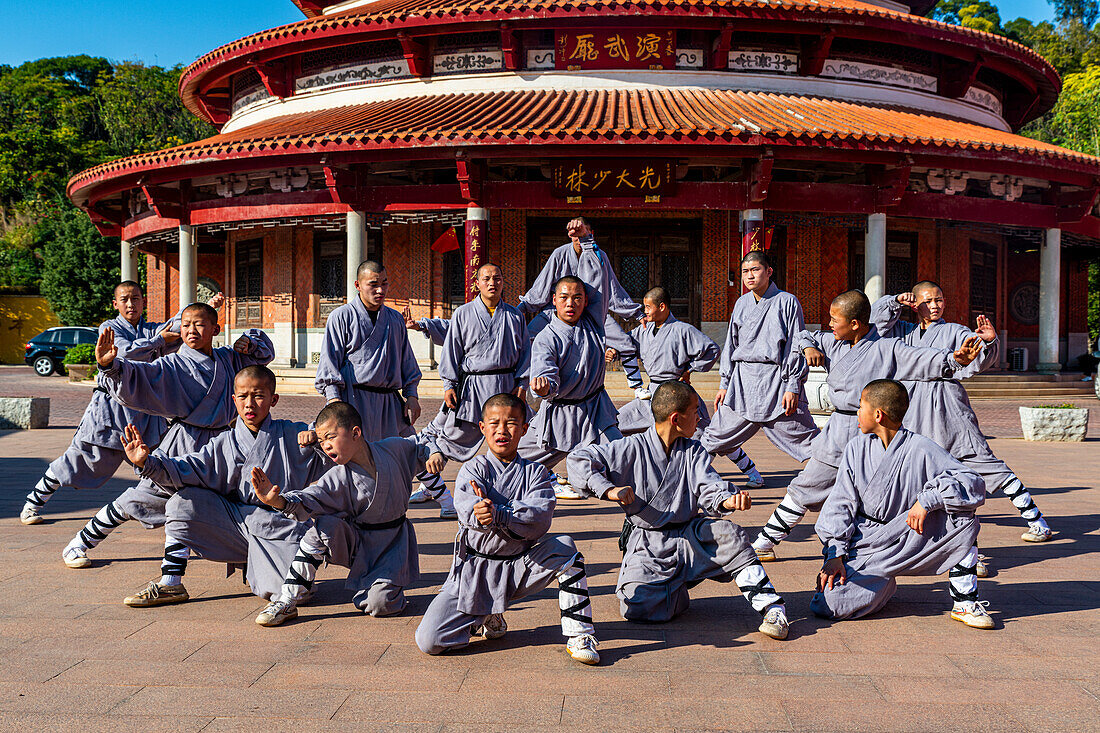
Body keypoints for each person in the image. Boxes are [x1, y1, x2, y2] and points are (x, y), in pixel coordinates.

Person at [64, 302, 272, 608]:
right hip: (184, 444)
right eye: (186, 324)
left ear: (215, 329)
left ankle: (180, 578)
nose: (191, 330)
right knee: (141, 500)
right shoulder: (173, 365)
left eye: (199, 324)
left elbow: (262, 356)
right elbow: (142, 374)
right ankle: (81, 542)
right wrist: (110, 366)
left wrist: (251, 343)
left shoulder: (229, 358)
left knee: (215, 507)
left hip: (226, 446)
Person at [750, 290, 984, 562]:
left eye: (834, 320)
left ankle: (965, 553)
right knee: (807, 486)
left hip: (878, 434)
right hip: (838, 433)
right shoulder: (832, 342)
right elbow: (805, 335)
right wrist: (809, 348)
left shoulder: (888, 347)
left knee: (903, 493)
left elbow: (922, 358)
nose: (829, 325)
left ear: (854, 324)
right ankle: (766, 540)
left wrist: (954, 360)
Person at [568, 382, 790, 640]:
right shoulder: (630, 448)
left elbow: (708, 484)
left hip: (690, 537)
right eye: (696, 411)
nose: (700, 417)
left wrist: (726, 500)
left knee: (730, 535)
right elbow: (578, 460)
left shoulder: (694, 450)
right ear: (676, 418)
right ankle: (675, 587)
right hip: (648, 544)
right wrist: (607, 489)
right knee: (637, 608)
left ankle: (772, 607)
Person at [872, 284, 1052, 566]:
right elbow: (878, 323)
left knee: (980, 461)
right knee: (924, 475)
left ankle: (1036, 520)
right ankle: (968, 553)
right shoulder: (903, 331)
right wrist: (894, 301)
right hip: (913, 406)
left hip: (948, 406)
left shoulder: (953, 330)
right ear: (914, 304)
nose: (935, 306)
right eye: (928, 301)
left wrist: (989, 343)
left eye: (940, 300)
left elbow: (975, 355)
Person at [415, 393, 600, 665]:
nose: (502, 430)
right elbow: (467, 508)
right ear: (482, 428)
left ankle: (580, 634)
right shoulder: (472, 469)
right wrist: (481, 511)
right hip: (475, 571)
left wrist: (499, 513)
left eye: (511, 423)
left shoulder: (536, 473)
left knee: (565, 549)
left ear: (525, 429)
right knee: (429, 640)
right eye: (494, 423)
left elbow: (540, 517)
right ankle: (487, 612)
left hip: (520, 566)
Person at [120, 365, 332, 601]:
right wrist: (147, 462)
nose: (249, 404)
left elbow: (334, 442)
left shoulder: (294, 434)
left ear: (274, 400)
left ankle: (264, 563)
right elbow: (189, 466)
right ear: (234, 399)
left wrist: (317, 440)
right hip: (235, 523)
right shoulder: (225, 442)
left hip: (279, 525)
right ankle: (171, 582)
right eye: (242, 397)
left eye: (259, 396)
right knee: (182, 504)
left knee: (291, 593)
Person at [19, 282, 220, 524]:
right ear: (116, 304)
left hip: (146, 415)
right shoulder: (110, 327)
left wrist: (204, 310)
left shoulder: (153, 329)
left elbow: (179, 324)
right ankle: (32, 503)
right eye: (124, 299)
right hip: (111, 410)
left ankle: (176, 515)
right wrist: (158, 342)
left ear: (143, 301)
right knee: (77, 460)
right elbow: (122, 355)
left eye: (135, 298)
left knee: (161, 464)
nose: (130, 304)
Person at [811, 379, 994, 629]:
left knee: (962, 517)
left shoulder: (921, 448)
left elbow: (973, 483)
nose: (857, 413)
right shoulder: (856, 449)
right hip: (866, 541)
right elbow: (841, 503)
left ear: (878, 414)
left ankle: (965, 601)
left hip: (910, 536)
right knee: (828, 604)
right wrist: (835, 553)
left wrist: (927, 500)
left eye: (860, 406)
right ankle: (882, 584)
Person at [250, 401, 445, 626]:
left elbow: (423, 442)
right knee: (323, 526)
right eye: (321, 441)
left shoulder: (394, 448)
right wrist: (278, 501)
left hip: (393, 545)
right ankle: (287, 599)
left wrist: (434, 453)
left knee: (381, 605)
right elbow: (310, 496)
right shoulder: (339, 476)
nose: (326, 446)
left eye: (331, 437)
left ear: (355, 433)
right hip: (358, 544)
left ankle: (373, 588)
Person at [410, 263, 530, 518]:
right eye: (486, 278)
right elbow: (452, 351)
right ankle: (432, 479)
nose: (492, 283)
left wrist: (522, 385)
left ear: (503, 281)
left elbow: (524, 355)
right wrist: (448, 385)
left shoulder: (515, 316)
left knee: (504, 440)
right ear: (477, 283)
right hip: (472, 388)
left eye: (497, 278)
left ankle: (502, 496)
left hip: (504, 386)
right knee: (449, 436)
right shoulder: (464, 313)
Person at [700, 252, 820, 490]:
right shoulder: (741, 304)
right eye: (745, 271)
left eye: (755, 270)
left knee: (810, 442)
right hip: (743, 384)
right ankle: (691, 481)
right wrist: (725, 383)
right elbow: (731, 346)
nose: (749, 276)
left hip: (776, 384)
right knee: (712, 438)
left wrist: (793, 386)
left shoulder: (787, 301)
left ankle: (840, 478)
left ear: (769, 272)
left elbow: (795, 345)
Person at [517, 276, 622, 497]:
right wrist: (544, 388)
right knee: (515, 466)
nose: (570, 304)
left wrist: (586, 245)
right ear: (554, 300)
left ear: (587, 302)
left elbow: (597, 280)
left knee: (625, 462)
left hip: (596, 413)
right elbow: (545, 372)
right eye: (564, 297)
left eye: (577, 298)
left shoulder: (594, 324)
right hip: (558, 417)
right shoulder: (547, 337)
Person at [518, 217, 646, 397]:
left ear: (590, 234)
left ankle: (636, 386)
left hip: (591, 313)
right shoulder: (559, 254)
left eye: (583, 234)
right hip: (556, 313)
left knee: (625, 343)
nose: (578, 238)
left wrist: (637, 313)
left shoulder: (598, 255)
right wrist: (522, 308)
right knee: (527, 337)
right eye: (575, 235)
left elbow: (612, 289)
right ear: (570, 236)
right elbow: (543, 284)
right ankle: (526, 384)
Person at [315, 260, 422, 441]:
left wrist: (411, 395)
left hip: (389, 405)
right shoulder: (341, 317)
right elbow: (329, 364)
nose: (380, 290)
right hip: (354, 401)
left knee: (398, 459)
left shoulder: (395, 319)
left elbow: (407, 361)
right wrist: (334, 401)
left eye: (384, 283)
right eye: (373, 285)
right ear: (358, 285)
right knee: (355, 461)